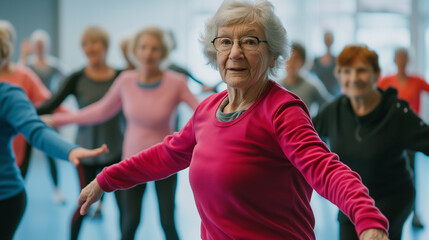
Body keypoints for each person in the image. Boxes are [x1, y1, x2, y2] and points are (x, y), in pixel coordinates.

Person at [75, 1, 389, 239]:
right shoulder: (208, 110)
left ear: (273, 55)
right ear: (214, 52)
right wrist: (106, 179)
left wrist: (368, 219)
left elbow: (324, 168)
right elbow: (167, 154)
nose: (235, 52)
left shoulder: (281, 109)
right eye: (225, 41)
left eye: (250, 41)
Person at [44, 26, 199, 240]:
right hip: (133, 161)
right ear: (135, 50)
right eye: (143, 47)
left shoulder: (176, 82)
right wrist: (57, 119)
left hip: (167, 161)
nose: (148, 53)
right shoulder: (125, 81)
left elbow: (202, 113)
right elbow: (98, 111)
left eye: (155, 48)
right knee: (130, 223)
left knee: (167, 223)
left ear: (163, 52)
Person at [0, 28, 108, 240]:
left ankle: (57, 188)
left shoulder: (11, 92)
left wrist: (70, 148)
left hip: (5, 195)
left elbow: (38, 124)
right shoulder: (27, 65)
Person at [312, 45, 429, 240]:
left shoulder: (397, 112)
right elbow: (302, 142)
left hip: (391, 198)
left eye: (362, 70)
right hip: (350, 199)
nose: (354, 78)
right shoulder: (333, 110)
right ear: (339, 75)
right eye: (346, 71)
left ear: (376, 75)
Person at [36, 26, 124, 239]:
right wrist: (22, 110)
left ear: (105, 46)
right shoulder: (76, 77)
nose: (89, 48)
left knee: (125, 210)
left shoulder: (122, 77)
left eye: (94, 42)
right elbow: (51, 103)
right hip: (86, 151)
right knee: (84, 204)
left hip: (116, 152)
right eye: (85, 44)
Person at [377, 47, 429, 229]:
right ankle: (385, 214)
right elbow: (375, 103)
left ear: (408, 60)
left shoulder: (417, 80)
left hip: (411, 135)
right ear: (394, 59)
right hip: (390, 135)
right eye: (399, 57)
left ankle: (415, 214)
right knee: (389, 173)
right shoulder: (386, 81)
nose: (402, 60)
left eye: (405, 57)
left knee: (412, 173)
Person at [18, 29, 69, 203]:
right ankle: (19, 188)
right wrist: (23, 56)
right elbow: (17, 74)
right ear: (33, 46)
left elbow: (68, 79)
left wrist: (56, 99)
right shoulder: (28, 65)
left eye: (42, 44)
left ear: (47, 46)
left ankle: (57, 189)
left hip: (46, 113)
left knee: (50, 151)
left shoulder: (54, 64)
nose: (40, 47)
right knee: (25, 153)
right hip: (29, 113)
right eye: (37, 44)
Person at [281, 42, 333, 116]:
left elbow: (329, 105)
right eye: (288, 58)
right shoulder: (276, 86)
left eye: (295, 58)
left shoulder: (311, 86)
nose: (291, 62)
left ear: (303, 62)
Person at [311, 30, 341, 96]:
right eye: (326, 39)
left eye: (329, 39)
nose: (328, 41)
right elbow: (311, 77)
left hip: (335, 95)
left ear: (333, 40)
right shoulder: (316, 61)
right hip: (319, 96)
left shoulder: (338, 60)